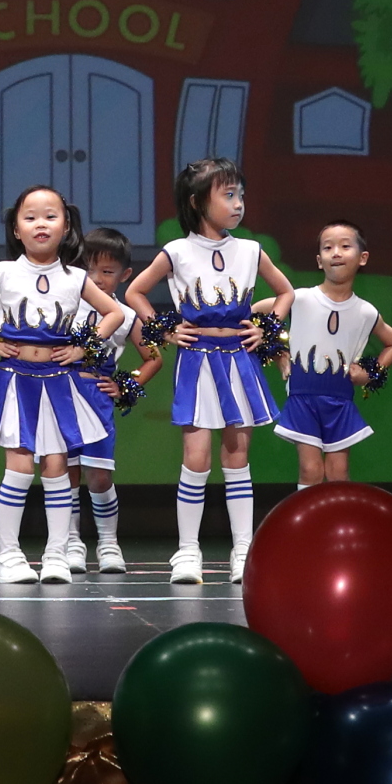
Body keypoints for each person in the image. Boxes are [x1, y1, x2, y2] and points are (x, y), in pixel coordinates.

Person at [123, 156, 294, 585]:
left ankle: (243, 550)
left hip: (239, 359)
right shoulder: (177, 251)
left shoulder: (250, 250)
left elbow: (286, 292)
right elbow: (135, 292)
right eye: (228, 195)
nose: (238, 204)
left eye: (241, 195)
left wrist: (267, 328)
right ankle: (187, 551)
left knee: (237, 456)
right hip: (197, 360)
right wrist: (165, 329)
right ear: (198, 201)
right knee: (195, 458)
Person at [0, 186, 128, 583]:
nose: (40, 224)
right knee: (19, 466)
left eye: (50, 216)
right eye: (30, 217)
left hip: (59, 380)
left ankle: (56, 554)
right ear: (16, 229)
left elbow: (113, 313)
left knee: (57, 466)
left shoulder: (75, 277)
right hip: (15, 379)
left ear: (66, 227)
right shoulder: (4, 272)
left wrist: (83, 347)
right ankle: (8, 556)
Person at [263, 219, 392, 484]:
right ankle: (308, 513)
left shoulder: (366, 312)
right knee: (311, 469)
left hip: (340, 400)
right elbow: (255, 313)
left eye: (345, 246)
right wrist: (277, 352)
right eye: (328, 248)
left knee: (338, 472)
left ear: (363, 258)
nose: (336, 253)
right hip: (302, 397)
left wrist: (369, 374)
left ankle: (339, 512)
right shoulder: (299, 299)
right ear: (319, 261)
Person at [59, 225, 156, 575]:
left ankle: (108, 542)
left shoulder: (126, 316)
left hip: (97, 399)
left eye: (107, 271)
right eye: (89, 269)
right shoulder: (66, 303)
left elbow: (153, 358)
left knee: (99, 476)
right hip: (61, 394)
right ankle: (71, 542)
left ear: (124, 275)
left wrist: (125, 386)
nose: (97, 279)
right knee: (65, 473)